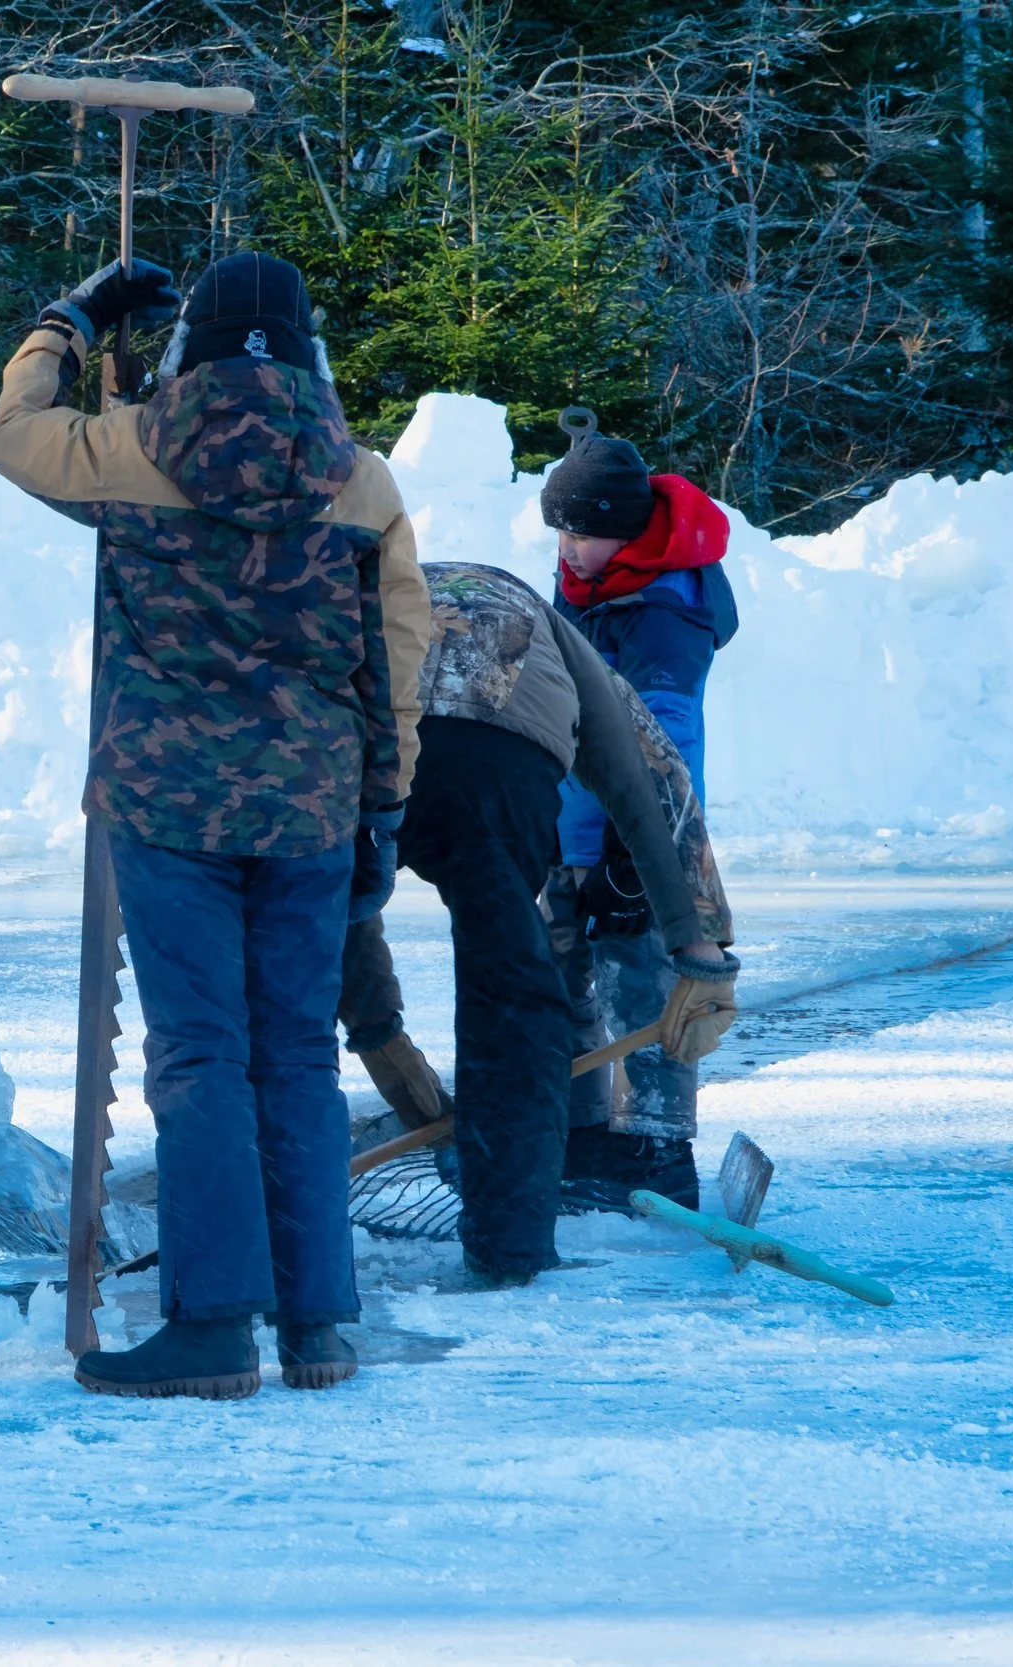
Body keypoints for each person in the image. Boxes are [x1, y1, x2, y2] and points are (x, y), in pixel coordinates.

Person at [0, 251, 423, 1401]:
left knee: (198, 1056)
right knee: (293, 1056)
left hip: (166, 800)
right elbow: (396, 662)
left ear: (194, 346)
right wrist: (382, 802)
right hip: (309, 805)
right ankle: (320, 1321)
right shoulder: (362, 483)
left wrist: (68, 319)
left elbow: (14, 431)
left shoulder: (128, 449)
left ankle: (216, 1323)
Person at [345, 562, 741, 1285]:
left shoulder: (377, 588)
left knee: (311, 917)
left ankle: (264, 1221)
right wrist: (700, 947)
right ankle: (510, 1246)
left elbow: (339, 902)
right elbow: (652, 777)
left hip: (366, 732)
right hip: (495, 752)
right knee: (510, 988)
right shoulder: (550, 628)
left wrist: (378, 1032)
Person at [536, 410, 739, 1210]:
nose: (564, 551)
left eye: (577, 536)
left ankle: (658, 1149)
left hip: (643, 832)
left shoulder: (666, 610)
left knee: (643, 976)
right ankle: (583, 1135)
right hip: (570, 818)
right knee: (564, 971)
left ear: (621, 532)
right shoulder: (591, 572)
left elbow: (666, 740)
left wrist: (634, 854)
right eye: (558, 534)